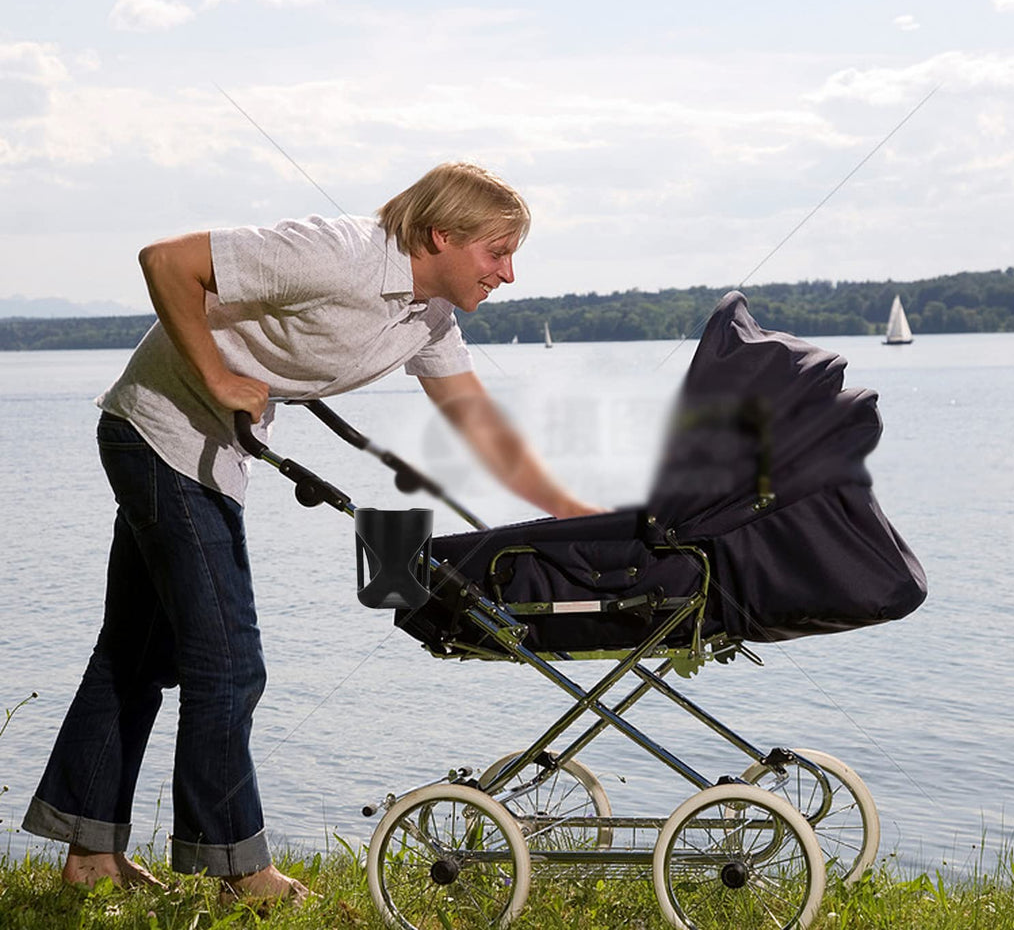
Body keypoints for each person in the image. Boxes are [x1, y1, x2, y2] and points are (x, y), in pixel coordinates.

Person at [22, 162, 597, 902]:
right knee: (229, 665)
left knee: (135, 653)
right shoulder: (338, 253)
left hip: (202, 451)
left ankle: (90, 858)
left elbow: (476, 422)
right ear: (441, 235)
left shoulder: (426, 316)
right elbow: (165, 261)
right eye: (497, 252)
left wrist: (571, 512)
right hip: (161, 434)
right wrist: (219, 378)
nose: (508, 274)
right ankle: (238, 870)